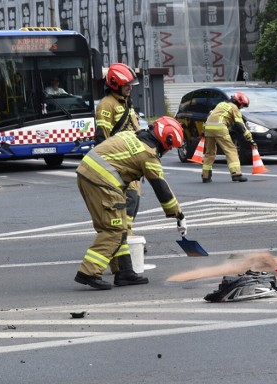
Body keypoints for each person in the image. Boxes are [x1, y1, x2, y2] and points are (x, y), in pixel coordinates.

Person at [74, 116, 188, 290]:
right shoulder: (148, 154)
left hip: (89, 174)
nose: (167, 152)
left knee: (121, 227)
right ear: (165, 141)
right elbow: (161, 188)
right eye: (169, 147)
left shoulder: (132, 135)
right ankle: (89, 271)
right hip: (102, 181)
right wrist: (178, 214)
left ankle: (124, 271)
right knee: (113, 229)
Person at [95, 63, 143, 273]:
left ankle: (126, 243)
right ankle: (123, 250)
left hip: (130, 163)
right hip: (118, 166)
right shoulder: (107, 105)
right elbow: (102, 139)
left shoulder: (125, 102)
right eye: (127, 85)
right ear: (115, 84)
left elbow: (134, 129)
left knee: (131, 207)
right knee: (124, 209)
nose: (130, 88)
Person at [201, 91, 255, 183]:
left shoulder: (221, 104)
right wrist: (249, 138)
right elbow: (239, 124)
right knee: (231, 150)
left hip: (208, 128)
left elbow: (209, 115)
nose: (242, 108)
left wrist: (203, 131)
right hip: (219, 128)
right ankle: (236, 174)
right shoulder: (234, 108)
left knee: (209, 153)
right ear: (238, 102)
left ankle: (206, 176)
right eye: (242, 105)